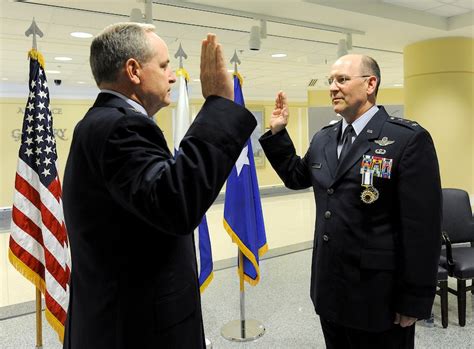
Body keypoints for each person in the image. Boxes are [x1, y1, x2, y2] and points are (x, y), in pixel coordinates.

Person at [62, 23, 256, 349]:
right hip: (136, 330)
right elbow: (176, 203)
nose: (172, 77)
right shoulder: (121, 126)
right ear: (134, 70)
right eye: (164, 66)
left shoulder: (101, 122)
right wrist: (219, 105)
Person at [259, 54, 441, 349]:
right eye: (331, 80)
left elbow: (422, 229)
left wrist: (414, 300)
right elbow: (297, 177)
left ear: (370, 84)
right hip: (330, 289)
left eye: (342, 80)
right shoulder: (324, 138)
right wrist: (278, 133)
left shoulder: (406, 140)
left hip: (378, 297)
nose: (332, 87)